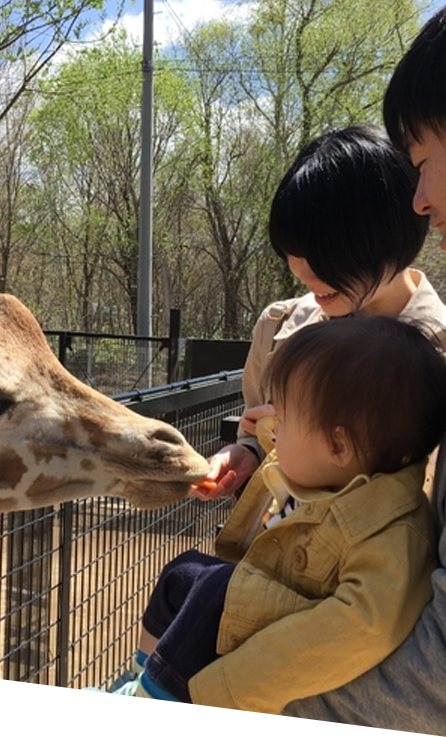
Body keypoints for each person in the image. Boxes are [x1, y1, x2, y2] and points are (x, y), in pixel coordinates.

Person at [67, 315, 446, 737]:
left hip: (281, 674)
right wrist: (263, 441)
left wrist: (237, 686)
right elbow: (303, 457)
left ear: (339, 444)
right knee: (184, 575)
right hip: (281, 610)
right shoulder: (351, 478)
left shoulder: (391, 534)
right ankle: (140, 691)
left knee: (213, 592)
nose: (275, 430)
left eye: (283, 420)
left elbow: (361, 628)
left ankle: (146, 713)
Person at [274, 5, 446, 737]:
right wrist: (258, 444)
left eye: (425, 162)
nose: (421, 197)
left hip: (351, 625)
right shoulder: (302, 324)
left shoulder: (427, 358)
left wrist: (227, 679)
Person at [198, 124, 446, 502]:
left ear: (388, 235)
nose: (301, 271)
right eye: (292, 251)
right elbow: (254, 433)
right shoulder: (277, 326)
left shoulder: (438, 355)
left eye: (325, 252)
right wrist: (249, 451)